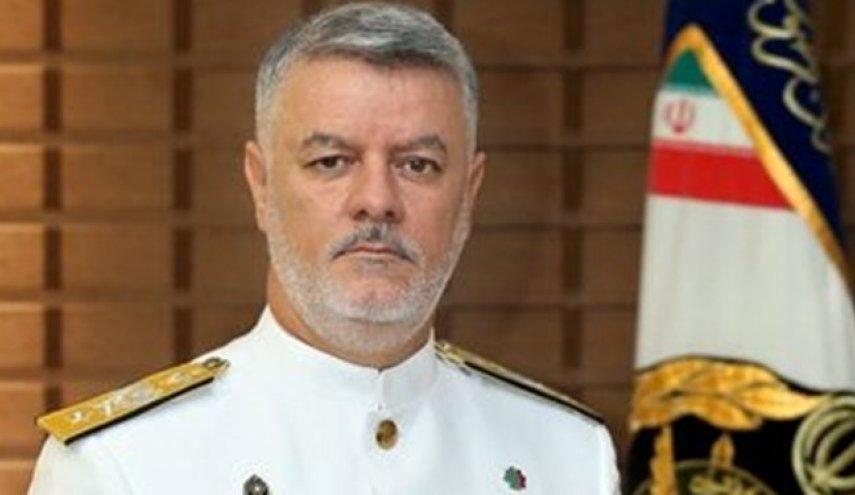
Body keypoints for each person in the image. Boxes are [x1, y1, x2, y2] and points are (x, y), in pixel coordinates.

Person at [28, 3, 619, 493]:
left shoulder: (569, 457)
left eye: (417, 164)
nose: (377, 201)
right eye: (332, 161)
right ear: (261, 186)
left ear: (468, 194)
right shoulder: (123, 465)